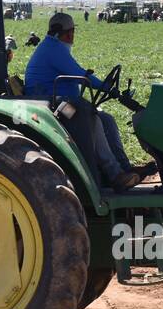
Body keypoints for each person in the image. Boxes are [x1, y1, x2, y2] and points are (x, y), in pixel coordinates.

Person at [23, 12, 141, 190]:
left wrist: (105, 87)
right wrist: (106, 87)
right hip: (53, 105)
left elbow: (77, 72)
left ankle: (124, 168)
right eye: (72, 32)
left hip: (57, 101)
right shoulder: (53, 49)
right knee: (91, 119)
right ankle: (114, 174)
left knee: (106, 119)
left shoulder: (54, 46)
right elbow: (79, 74)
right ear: (69, 33)